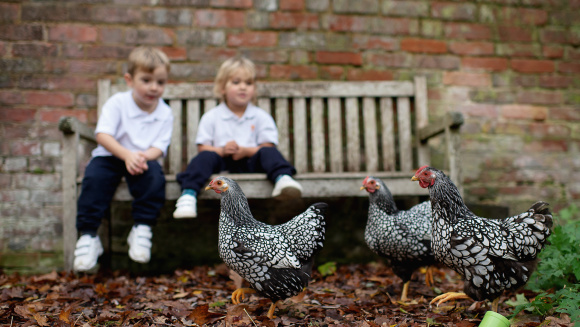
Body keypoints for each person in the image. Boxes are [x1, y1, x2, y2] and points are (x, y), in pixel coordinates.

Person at [73, 46, 173, 272]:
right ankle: (89, 237)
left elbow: (159, 146)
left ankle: (142, 228)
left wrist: (140, 158)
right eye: (146, 80)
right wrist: (126, 154)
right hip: (111, 155)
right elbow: (103, 135)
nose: (153, 87)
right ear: (129, 80)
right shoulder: (118, 103)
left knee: (154, 177)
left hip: (142, 160)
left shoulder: (165, 112)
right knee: (94, 178)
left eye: (160, 82)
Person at [173, 56, 302, 218]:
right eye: (236, 82)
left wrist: (247, 151)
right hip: (221, 164)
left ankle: (283, 178)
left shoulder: (260, 116)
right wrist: (221, 150)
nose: (243, 87)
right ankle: (188, 194)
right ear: (222, 88)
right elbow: (203, 147)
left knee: (268, 152)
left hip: (251, 162)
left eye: (248, 83)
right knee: (204, 157)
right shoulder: (212, 116)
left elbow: (268, 146)